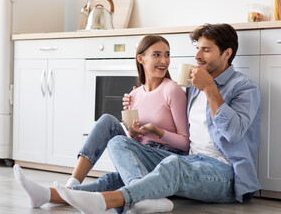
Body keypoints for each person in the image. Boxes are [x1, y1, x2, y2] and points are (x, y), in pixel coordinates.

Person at [50, 23, 262, 214]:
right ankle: (59, 194)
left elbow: (233, 133)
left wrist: (210, 88)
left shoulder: (243, 88)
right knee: (117, 158)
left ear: (227, 54)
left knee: (172, 165)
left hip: (224, 172)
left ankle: (108, 201)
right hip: (190, 160)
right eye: (197, 48)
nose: (198, 56)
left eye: (206, 50)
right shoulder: (194, 87)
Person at [13, 35, 189, 213]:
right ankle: (66, 187)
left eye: (167, 55)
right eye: (157, 55)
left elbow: (185, 143)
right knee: (107, 121)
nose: (164, 60)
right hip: (140, 158)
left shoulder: (172, 90)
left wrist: (156, 130)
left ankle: (51, 194)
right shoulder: (134, 95)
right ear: (140, 59)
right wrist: (134, 133)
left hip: (165, 158)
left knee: (110, 181)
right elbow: (133, 140)